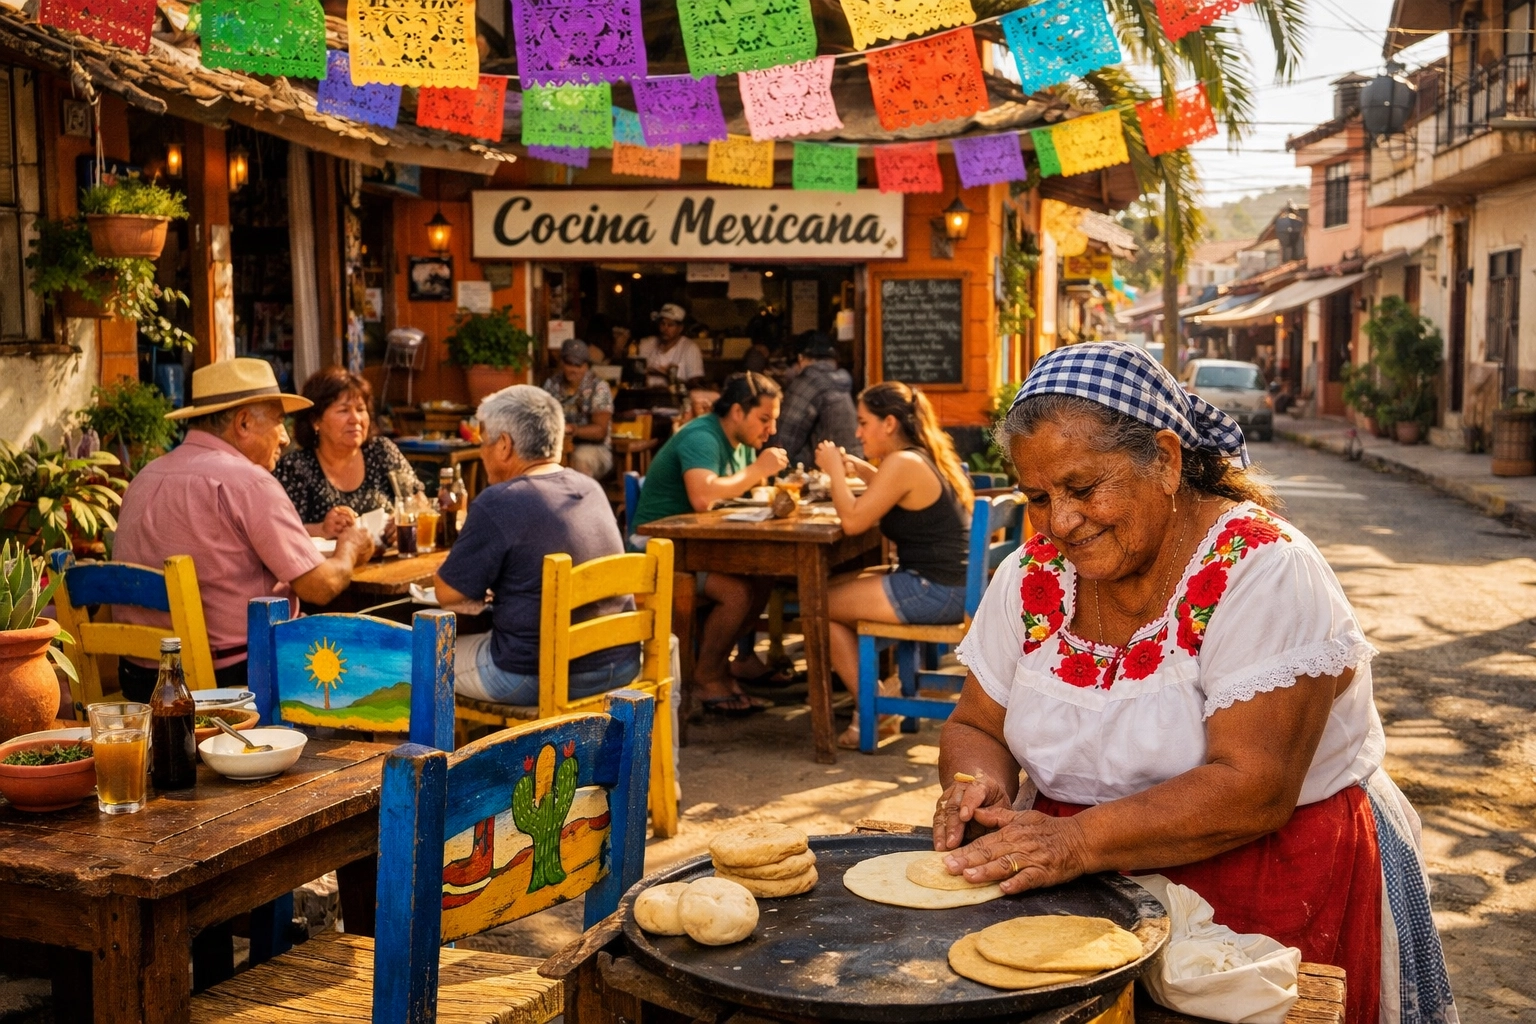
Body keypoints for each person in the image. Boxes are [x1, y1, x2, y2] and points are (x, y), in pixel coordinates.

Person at [929, 343, 1453, 1024]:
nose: (1059, 522)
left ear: (1167, 461)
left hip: (1263, 880)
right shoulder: (1033, 576)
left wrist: (1076, 842)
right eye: (1037, 497)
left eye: (1084, 489)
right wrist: (978, 785)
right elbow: (976, 725)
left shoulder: (1266, 570)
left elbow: (1253, 788)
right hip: (1075, 885)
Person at [112, 358, 374, 699]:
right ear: (244, 423)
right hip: (230, 680)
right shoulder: (249, 481)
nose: (284, 438)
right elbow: (319, 587)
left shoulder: (145, 476)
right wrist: (350, 547)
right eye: (279, 422)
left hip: (139, 679)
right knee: (376, 666)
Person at [434, 385, 640, 704]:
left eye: (483, 441)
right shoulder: (590, 488)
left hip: (536, 675)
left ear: (504, 444)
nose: (482, 451)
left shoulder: (499, 500)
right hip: (619, 664)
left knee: (417, 656)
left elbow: (448, 592)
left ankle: (434, 754)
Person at [815, 382, 973, 749]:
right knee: (830, 590)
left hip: (936, 591)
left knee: (817, 606)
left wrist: (835, 471)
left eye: (863, 422)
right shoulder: (918, 457)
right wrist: (859, 470)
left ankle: (872, 707)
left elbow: (853, 521)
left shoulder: (903, 462)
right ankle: (879, 694)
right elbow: (896, 493)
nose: (857, 432)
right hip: (947, 585)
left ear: (888, 423)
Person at [631, 372, 790, 715]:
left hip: (698, 548)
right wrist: (759, 470)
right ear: (737, 412)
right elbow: (703, 496)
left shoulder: (742, 445)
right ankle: (704, 677)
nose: (771, 430)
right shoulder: (702, 436)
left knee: (763, 577)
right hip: (656, 551)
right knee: (736, 592)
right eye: (764, 419)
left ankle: (719, 666)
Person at [273, 366, 420, 537]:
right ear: (315, 421)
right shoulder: (295, 467)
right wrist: (322, 529)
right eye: (343, 410)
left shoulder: (382, 451)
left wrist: (403, 518)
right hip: (328, 562)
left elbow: (419, 500)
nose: (356, 419)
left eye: (360, 409)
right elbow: (279, 533)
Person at [771, 331, 862, 468]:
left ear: (801, 358)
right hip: (854, 465)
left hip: (823, 471)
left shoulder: (809, 381)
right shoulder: (845, 381)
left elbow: (786, 437)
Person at [542, 338, 614, 480]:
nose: (573, 370)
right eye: (569, 364)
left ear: (586, 366)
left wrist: (572, 429)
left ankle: (581, 500)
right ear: (562, 363)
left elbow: (600, 431)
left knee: (580, 459)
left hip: (595, 448)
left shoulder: (598, 387)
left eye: (578, 365)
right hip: (558, 446)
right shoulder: (552, 384)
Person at [638, 303, 705, 389]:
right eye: (662, 324)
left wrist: (666, 376)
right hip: (647, 397)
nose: (665, 329)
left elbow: (695, 385)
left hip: (676, 400)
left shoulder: (690, 348)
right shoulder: (647, 343)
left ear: (680, 328)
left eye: (670, 325)